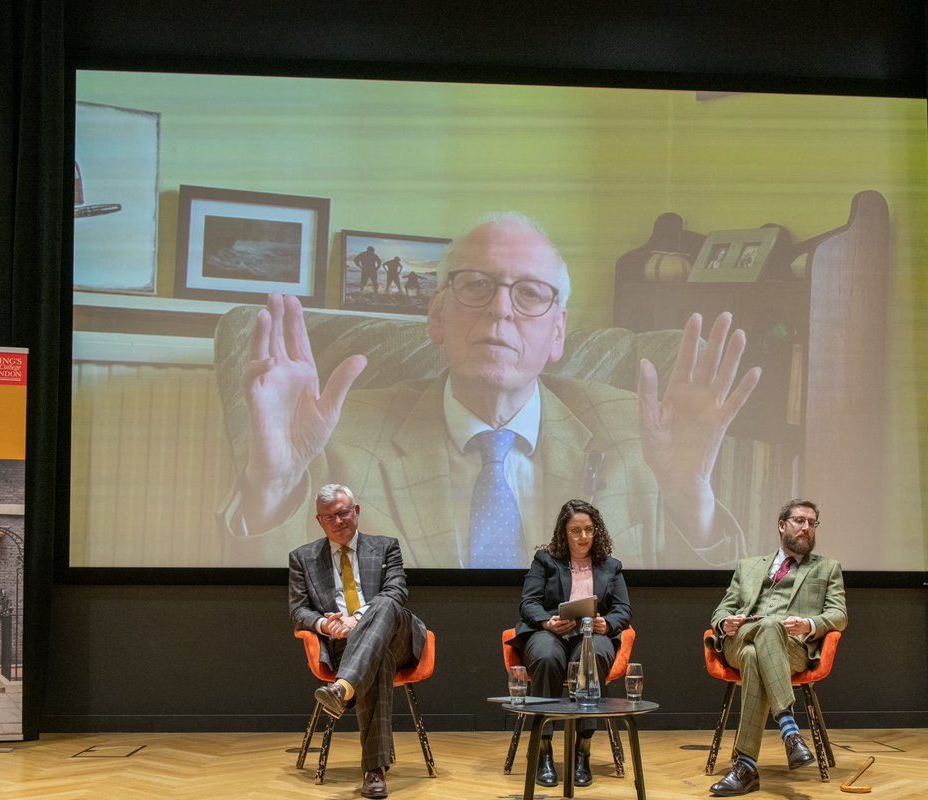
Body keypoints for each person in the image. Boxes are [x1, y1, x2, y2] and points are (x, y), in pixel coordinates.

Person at [225, 212, 761, 568]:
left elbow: (705, 621)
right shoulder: (337, 435)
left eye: (529, 293)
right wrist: (271, 481)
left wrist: (690, 494)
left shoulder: (639, 433)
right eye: (476, 285)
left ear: (557, 334)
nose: (500, 309)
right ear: (436, 315)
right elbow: (281, 610)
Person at [288, 483, 428, 799]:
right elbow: (298, 611)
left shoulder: (386, 546)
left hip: (398, 636)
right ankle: (374, 770)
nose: (339, 521)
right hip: (344, 646)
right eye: (330, 517)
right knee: (378, 662)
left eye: (344, 512)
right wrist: (326, 624)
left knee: (386, 602)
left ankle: (342, 688)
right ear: (319, 521)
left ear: (357, 512)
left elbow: (397, 592)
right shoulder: (303, 558)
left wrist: (358, 618)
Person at [706, 499, 847, 797]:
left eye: (812, 522)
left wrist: (809, 624)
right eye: (799, 521)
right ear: (782, 525)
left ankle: (745, 767)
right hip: (740, 637)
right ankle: (789, 728)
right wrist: (724, 624)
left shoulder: (827, 568)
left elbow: (839, 615)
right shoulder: (748, 566)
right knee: (765, 628)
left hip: (792, 647)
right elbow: (721, 611)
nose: (807, 527)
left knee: (754, 654)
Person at [511, 499, 631, 788]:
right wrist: (547, 622)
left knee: (590, 659)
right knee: (547, 657)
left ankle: (583, 751)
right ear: (563, 533)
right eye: (575, 531)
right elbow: (528, 602)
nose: (583, 537)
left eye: (589, 530)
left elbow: (623, 610)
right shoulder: (545, 560)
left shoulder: (610, 566)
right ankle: (544, 751)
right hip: (549, 633)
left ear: (597, 531)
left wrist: (608, 623)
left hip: (591, 633)